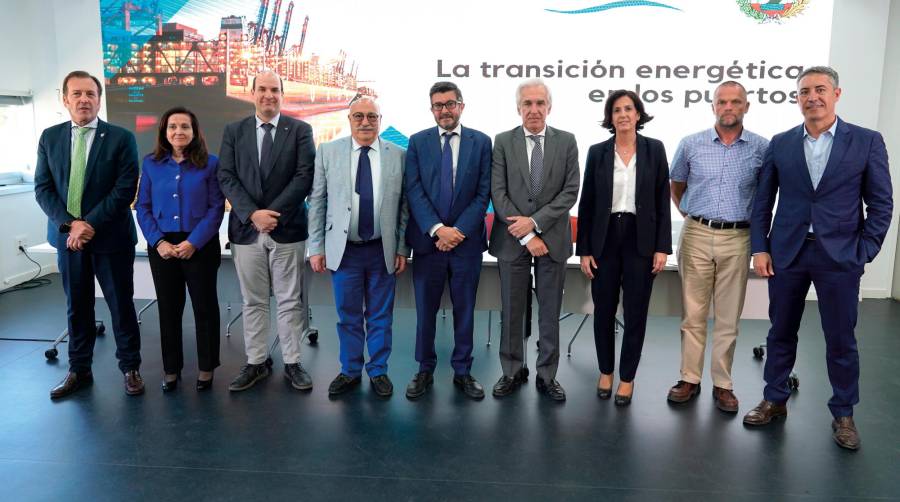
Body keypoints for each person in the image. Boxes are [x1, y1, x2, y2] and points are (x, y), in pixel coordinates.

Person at [743, 66, 892, 450]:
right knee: (780, 331)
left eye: (821, 90)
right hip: (787, 253)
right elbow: (763, 203)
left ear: (837, 95)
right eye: (805, 91)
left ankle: (843, 412)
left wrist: (866, 250)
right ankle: (775, 399)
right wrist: (760, 247)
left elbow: (881, 203)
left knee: (840, 338)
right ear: (797, 98)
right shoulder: (781, 143)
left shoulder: (866, 141)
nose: (813, 97)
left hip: (840, 257)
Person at [34, 70, 144, 398]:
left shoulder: (121, 138)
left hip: (111, 238)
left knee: (120, 305)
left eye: (90, 94)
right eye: (77, 94)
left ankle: (130, 368)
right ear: (65, 99)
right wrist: (71, 225)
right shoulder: (49, 137)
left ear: (99, 99)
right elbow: (43, 188)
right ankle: (79, 370)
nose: (84, 99)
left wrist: (88, 224)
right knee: (77, 307)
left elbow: (125, 189)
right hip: (68, 239)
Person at [666, 82, 769, 412]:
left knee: (727, 317)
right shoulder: (691, 144)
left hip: (738, 238)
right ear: (713, 106)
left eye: (735, 102)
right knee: (693, 314)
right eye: (722, 102)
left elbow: (766, 196)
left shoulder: (761, 148)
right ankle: (689, 379)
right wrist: (695, 217)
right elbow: (677, 185)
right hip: (696, 234)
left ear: (746, 107)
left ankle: (723, 384)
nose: (728, 107)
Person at [217, 70, 316, 392]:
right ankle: (256, 362)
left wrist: (272, 214)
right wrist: (252, 214)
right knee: (253, 301)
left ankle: (292, 362)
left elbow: (304, 176)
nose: (268, 95)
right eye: (263, 89)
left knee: (290, 300)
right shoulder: (234, 131)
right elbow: (227, 176)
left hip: (287, 228)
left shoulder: (301, 130)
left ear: (282, 94)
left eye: (275, 90)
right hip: (247, 230)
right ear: (252, 93)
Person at [308, 97, 410, 398]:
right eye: (359, 116)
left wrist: (402, 246)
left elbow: (404, 206)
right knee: (348, 315)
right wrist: (316, 245)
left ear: (380, 119)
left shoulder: (399, 155)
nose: (365, 122)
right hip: (345, 249)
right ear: (349, 119)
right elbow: (318, 201)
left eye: (372, 116)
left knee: (380, 315)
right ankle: (350, 370)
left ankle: (378, 371)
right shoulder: (328, 151)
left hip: (382, 249)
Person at [576, 89, 671, 406]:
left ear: (638, 114)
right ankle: (605, 372)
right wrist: (585, 249)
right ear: (610, 117)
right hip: (604, 240)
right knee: (603, 311)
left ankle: (627, 378)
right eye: (617, 110)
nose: (623, 114)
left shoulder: (654, 150)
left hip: (640, 241)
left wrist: (662, 247)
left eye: (629, 108)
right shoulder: (597, 152)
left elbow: (661, 200)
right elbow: (587, 202)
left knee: (636, 314)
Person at [489, 79, 580, 401]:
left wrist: (536, 223)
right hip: (512, 241)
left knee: (549, 313)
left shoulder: (567, 142)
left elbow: (570, 192)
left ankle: (547, 375)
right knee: (512, 312)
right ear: (518, 108)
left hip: (552, 240)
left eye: (540, 103)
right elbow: (498, 194)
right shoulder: (502, 142)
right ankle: (512, 371)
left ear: (549, 107)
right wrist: (528, 234)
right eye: (527, 104)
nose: (534, 109)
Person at [403, 81, 492, 400]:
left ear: (461, 106)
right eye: (438, 105)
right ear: (431, 110)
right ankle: (424, 369)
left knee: (465, 310)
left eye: (450, 104)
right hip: (429, 244)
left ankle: (463, 372)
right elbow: (414, 190)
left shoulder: (482, 142)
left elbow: (484, 193)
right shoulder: (417, 142)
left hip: (466, 245)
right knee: (425, 311)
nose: (444, 110)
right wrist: (437, 229)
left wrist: (458, 231)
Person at [136, 107, 225, 392]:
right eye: (172, 126)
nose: (178, 131)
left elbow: (215, 208)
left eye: (185, 126)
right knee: (169, 309)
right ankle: (171, 368)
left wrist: (193, 243)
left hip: (199, 243)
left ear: (194, 131)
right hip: (162, 245)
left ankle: (206, 367)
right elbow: (144, 207)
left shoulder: (210, 163)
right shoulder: (151, 163)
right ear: (164, 131)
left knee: (205, 308)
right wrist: (158, 242)